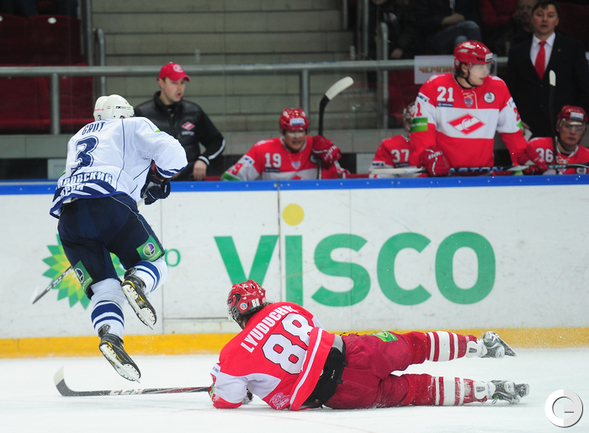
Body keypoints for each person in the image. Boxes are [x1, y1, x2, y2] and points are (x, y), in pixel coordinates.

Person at [209, 280, 529, 410]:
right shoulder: (286, 308)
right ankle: (482, 345)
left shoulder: (232, 354)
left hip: (342, 395)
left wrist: (226, 387)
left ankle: (491, 390)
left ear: (237, 313)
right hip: (358, 351)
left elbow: (228, 400)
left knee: (417, 391)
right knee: (415, 345)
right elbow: (315, 334)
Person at [49, 94, 188, 382]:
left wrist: (141, 186)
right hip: (109, 206)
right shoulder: (132, 125)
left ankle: (111, 337)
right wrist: (160, 176)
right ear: (123, 115)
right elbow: (176, 156)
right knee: (156, 264)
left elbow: (103, 171)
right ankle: (137, 280)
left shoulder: (78, 137)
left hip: (69, 220)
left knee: (104, 289)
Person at [409, 40, 547, 175]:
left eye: (487, 66)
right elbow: (421, 129)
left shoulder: (497, 87)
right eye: (480, 67)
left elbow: (512, 130)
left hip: (483, 176)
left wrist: (521, 154)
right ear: (464, 67)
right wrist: (428, 153)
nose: (486, 72)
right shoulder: (434, 86)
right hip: (444, 175)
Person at [505, 0, 589, 139]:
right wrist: (514, 119)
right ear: (532, 19)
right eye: (539, 14)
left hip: (564, 127)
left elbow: (584, 88)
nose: (545, 19)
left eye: (550, 15)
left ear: (557, 21)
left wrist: (578, 119)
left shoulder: (573, 48)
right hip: (527, 127)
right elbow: (510, 91)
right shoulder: (517, 51)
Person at [134, 62, 225, 181]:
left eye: (182, 83)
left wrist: (204, 160)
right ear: (161, 83)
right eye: (174, 82)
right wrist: (159, 168)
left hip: (190, 182)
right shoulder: (143, 114)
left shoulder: (194, 111)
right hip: (155, 184)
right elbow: (131, 150)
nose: (180, 88)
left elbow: (217, 141)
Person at [221, 108, 348, 181]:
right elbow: (228, 179)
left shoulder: (318, 148)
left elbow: (343, 181)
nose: (297, 136)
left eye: (301, 131)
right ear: (283, 132)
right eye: (292, 132)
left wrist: (329, 166)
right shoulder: (263, 150)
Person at [528, 105, 589, 174]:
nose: (573, 132)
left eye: (579, 128)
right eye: (568, 126)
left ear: (584, 131)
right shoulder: (535, 146)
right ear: (558, 127)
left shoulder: (587, 156)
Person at [413, 0, 483, 55]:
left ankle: (464, 67)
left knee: (461, 40)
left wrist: (461, 21)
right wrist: (444, 20)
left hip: (461, 33)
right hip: (435, 37)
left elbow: (476, 19)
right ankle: (480, 63)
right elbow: (420, 22)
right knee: (470, 26)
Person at [369, 102, 419, 177]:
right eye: (411, 123)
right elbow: (379, 180)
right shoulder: (390, 146)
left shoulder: (437, 144)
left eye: (420, 124)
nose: (416, 127)